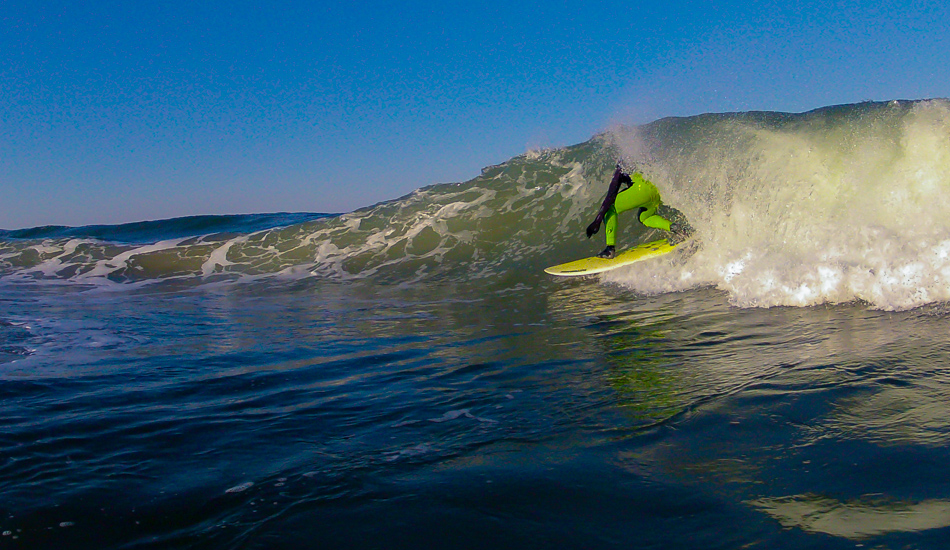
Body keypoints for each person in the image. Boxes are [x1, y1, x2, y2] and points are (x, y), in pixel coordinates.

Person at [585, 164, 687, 259]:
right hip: (655, 191)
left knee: (610, 208)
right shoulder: (638, 164)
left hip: (640, 189)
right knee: (645, 217)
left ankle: (610, 249)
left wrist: (597, 221)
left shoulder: (620, 169)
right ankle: (675, 228)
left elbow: (610, 197)